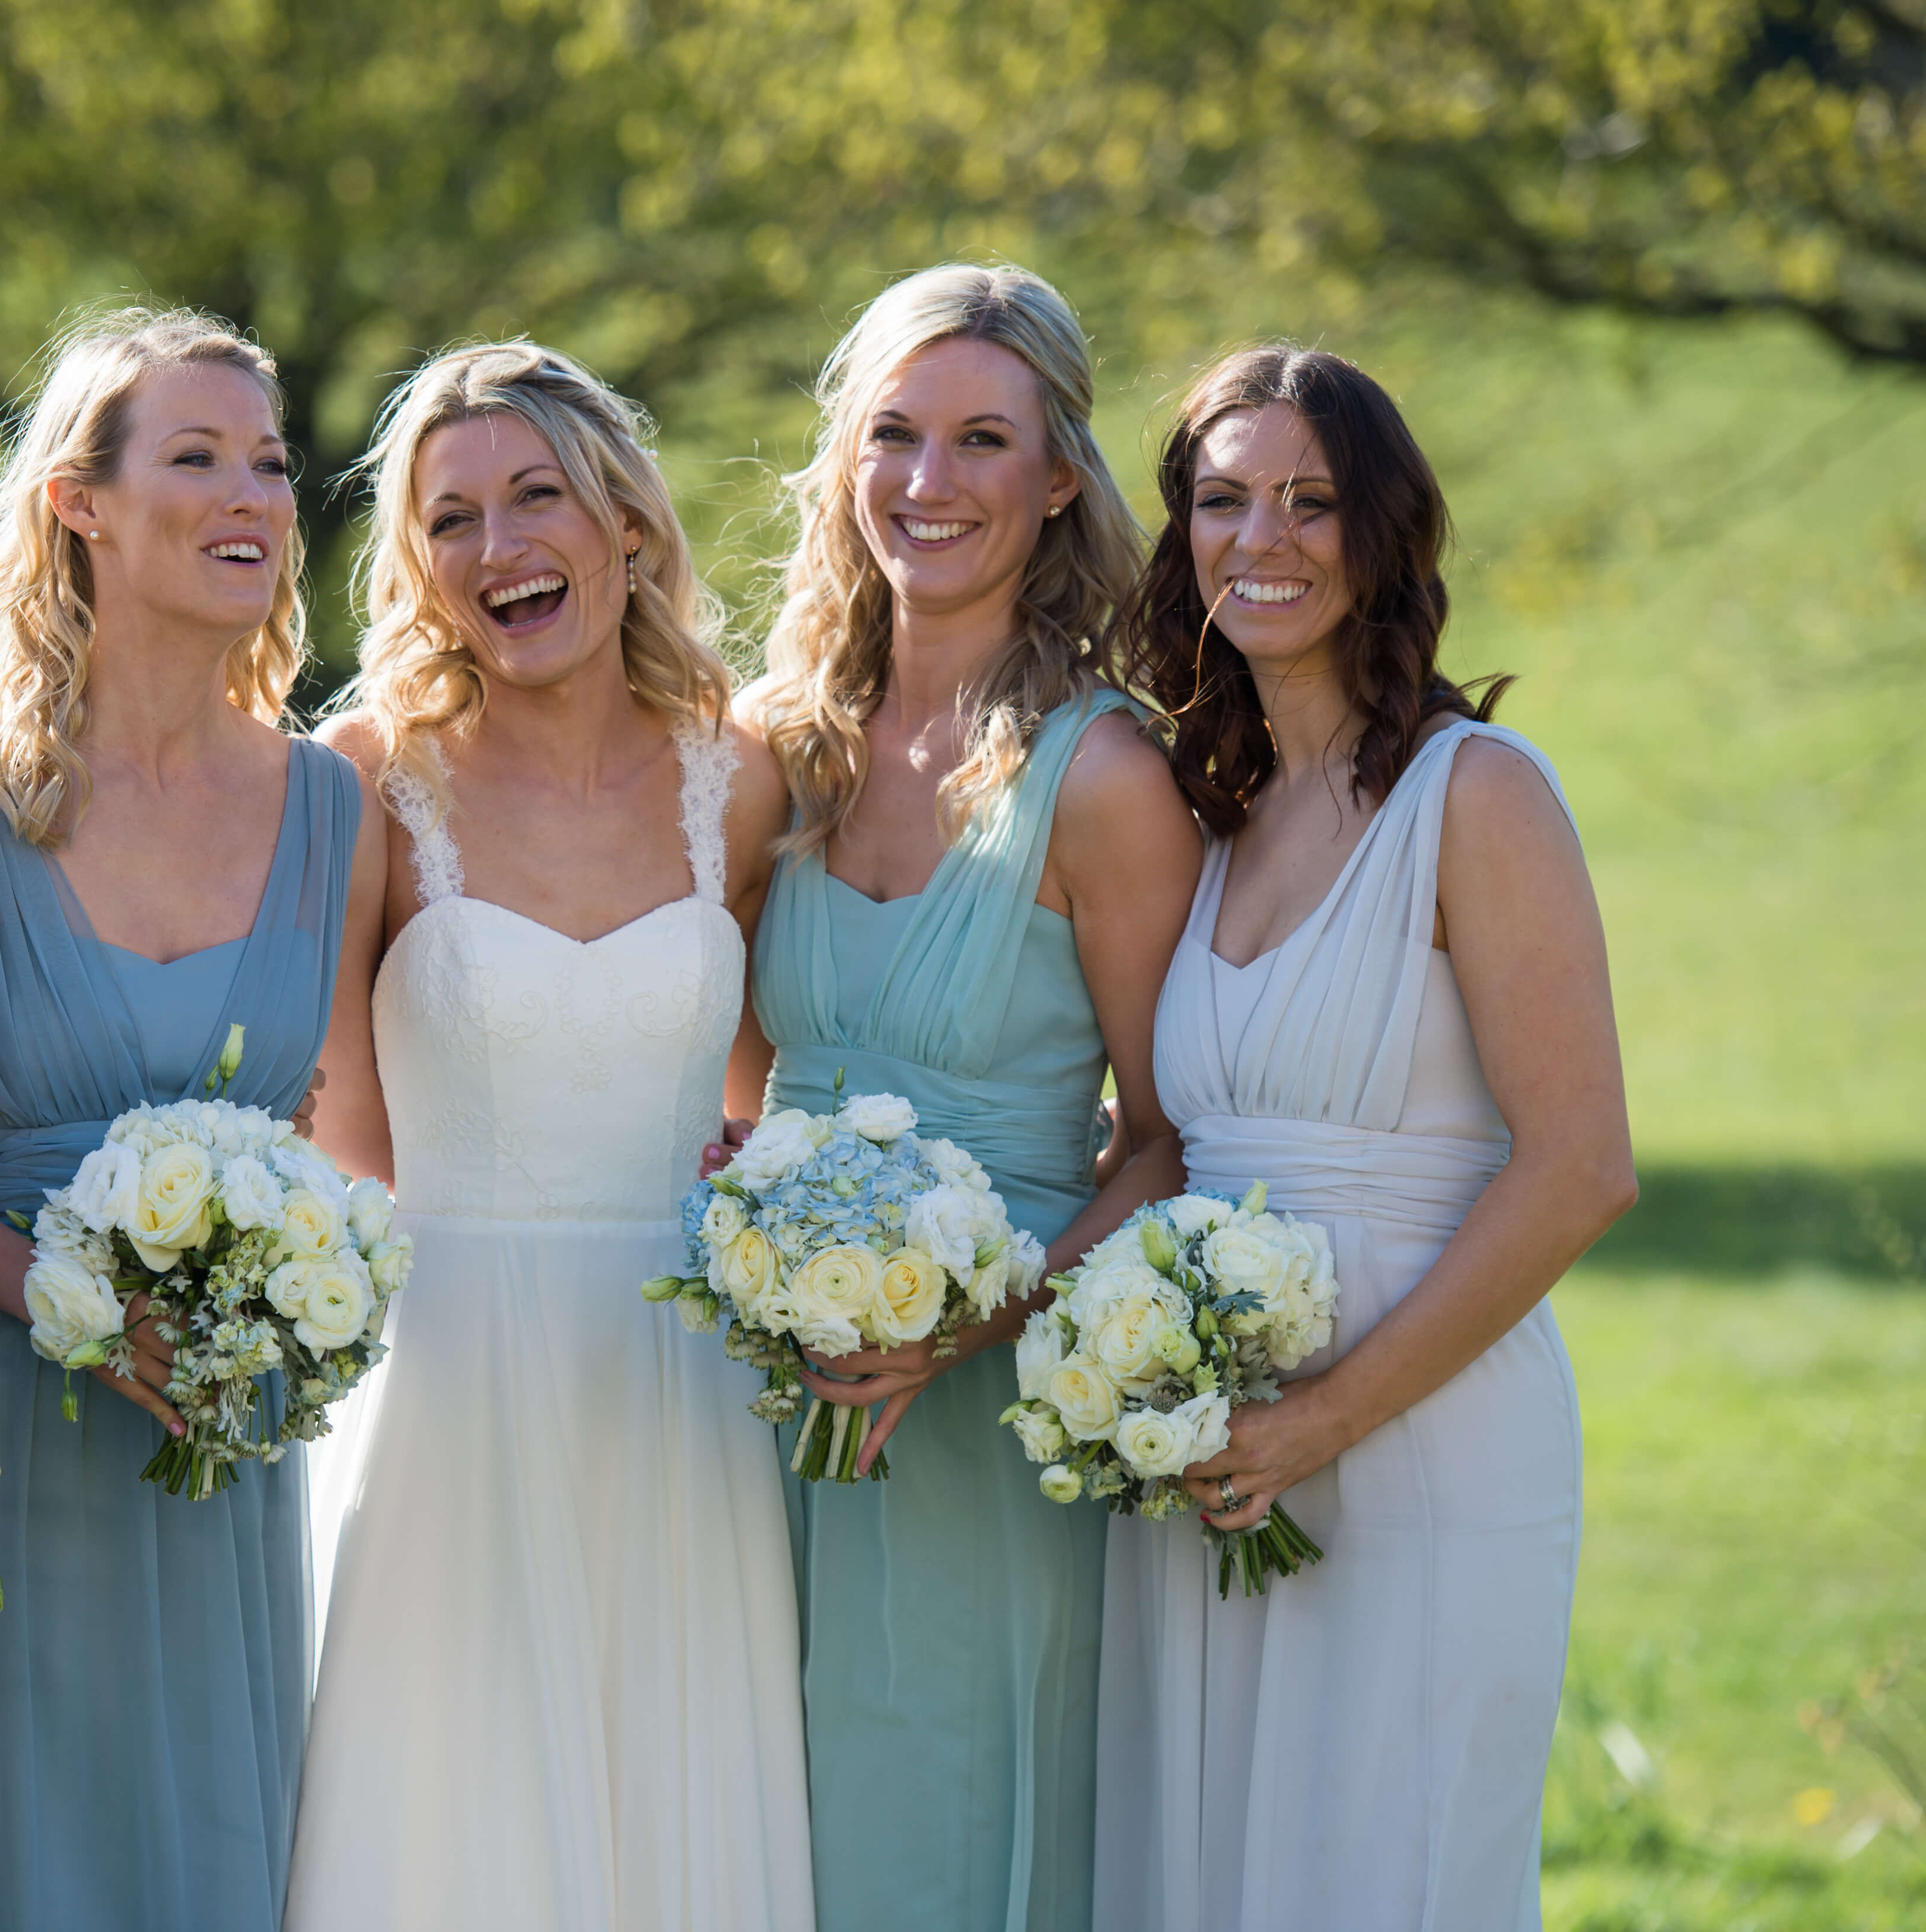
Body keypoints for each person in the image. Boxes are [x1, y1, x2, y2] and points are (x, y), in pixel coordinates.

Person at [1094, 345, 1636, 1931]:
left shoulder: (1479, 795)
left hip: (1425, 1444)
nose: (1260, 537)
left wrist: (1327, 1416)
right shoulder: (1215, 808)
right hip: (1215, 1464)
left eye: (1310, 502)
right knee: (1208, 1874)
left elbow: (1581, 1169)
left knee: (1387, 1876)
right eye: (1220, 499)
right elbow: (1164, 1145)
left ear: (1381, 533)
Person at [0, 308, 384, 1931]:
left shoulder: (330, 806)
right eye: (199, 456)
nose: (254, 494)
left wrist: (291, 1300)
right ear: (79, 504)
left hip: (218, 1451)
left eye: (273, 464)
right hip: (7, 1429)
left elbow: (341, 1139)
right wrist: (70, 1309)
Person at [286, 342, 813, 1932]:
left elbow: (763, 1091)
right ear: (418, 569)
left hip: (683, 1400)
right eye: (454, 520)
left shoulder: (742, 778)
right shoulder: (368, 780)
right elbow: (338, 1124)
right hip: (444, 1381)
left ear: (628, 527)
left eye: (540, 497)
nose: (502, 546)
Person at [736, 263, 1201, 1932]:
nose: (928, 485)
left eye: (982, 441)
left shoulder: (1110, 777)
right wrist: (759, 1245)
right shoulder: (785, 753)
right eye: (894, 436)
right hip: (765, 1406)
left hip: (984, 1422)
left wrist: (971, 1316)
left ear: (1060, 475)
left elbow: (1162, 1142)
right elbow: (726, 1073)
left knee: (945, 1829)